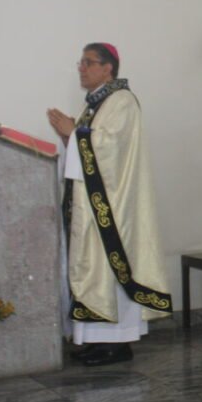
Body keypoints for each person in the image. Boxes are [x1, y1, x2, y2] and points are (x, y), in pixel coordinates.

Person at [47, 43, 172, 366]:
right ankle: (94, 339)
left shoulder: (122, 101)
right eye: (81, 62)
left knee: (108, 270)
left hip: (113, 209)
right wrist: (71, 136)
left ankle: (118, 343)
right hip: (93, 204)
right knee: (92, 271)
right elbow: (89, 143)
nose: (82, 68)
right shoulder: (98, 102)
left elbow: (108, 149)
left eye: (89, 63)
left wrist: (72, 133)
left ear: (108, 68)